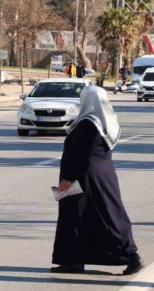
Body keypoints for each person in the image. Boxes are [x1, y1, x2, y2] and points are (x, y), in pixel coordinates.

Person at [51, 85, 143, 275]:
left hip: (86, 177)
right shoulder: (106, 121)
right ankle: (73, 260)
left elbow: (82, 156)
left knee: (99, 215)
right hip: (104, 174)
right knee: (86, 216)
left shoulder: (88, 124)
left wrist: (69, 178)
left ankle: (131, 255)